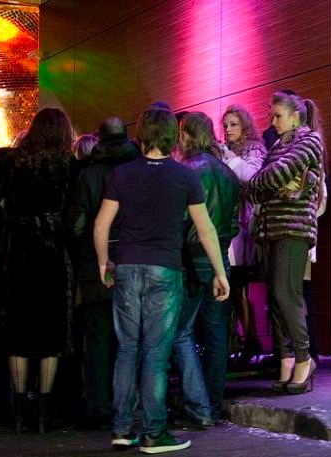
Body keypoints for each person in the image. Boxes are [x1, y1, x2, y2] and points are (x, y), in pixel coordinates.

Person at [94, 108, 229, 454]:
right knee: (155, 353)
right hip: (164, 271)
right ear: (173, 136)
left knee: (126, 350)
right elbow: (205, 228)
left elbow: (101, 225)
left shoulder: (123, 174)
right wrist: (219, 272)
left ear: (141, 135)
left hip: (126, 268)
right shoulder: (185, 177)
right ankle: (155, 434)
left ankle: (123, 429)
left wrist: (102, 263)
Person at [0, 108, 74, 433]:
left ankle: (19, 408)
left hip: (18, 253)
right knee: (50, 336)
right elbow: (73, 213)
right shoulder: (68, 165)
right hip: (52, 254)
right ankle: (43, 409)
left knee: (19, 336)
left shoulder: (13, 163)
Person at [247, 92, 325, 395]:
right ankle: (286, 359)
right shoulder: (277, 145)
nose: (272, 121)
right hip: (270, 229)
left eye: (278, 115)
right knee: (275, 300)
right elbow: (256, 187)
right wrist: (273, 184)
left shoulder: (309, 141)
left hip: (294, 228)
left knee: (286, 293)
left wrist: (270, 182)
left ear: (295, 116)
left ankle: (305, 359)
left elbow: (275, 174)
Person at [67, 116, 139, 429]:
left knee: (97, 336)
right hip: (135, 257)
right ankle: (128, 403)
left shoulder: (88, 174)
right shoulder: (138, 171)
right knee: (131, 336)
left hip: (96, 261)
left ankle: (98, 405)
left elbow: (78, 223)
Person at [175, 112, 240, 424]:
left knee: (181, 333)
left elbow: (181, 221)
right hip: (220, 259)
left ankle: (196, 404)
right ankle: (212, 405)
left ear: (186, 135)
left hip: (190, 260)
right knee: (216, 337)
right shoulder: (227, 173)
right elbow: (235, 223)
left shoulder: (185, 171)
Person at [220, 104, 268, 364]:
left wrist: (228, 158)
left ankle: (251, 339)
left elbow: (252, 177)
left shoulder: (254, 148)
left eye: (233, 124)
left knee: (241, 284)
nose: (228, 130)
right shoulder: (225, 150)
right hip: (229, 221)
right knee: (234, 285)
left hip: (247, 220)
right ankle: (240, 339)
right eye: (225, 125)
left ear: (245, 125)